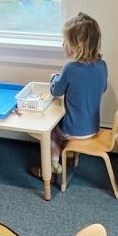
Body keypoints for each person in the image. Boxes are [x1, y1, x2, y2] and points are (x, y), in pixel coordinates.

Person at [31, 12, 108, 179]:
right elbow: (103, 88)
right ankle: (70, 156)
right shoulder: (102, 65)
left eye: (65, 41)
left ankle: (51, 168)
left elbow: (55, 91)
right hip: (93, 128)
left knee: (50, 132)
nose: (62, 45)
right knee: (62, 123)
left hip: (73, 130)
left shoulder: (70, 69)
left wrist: (53, 78)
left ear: (77, 45)